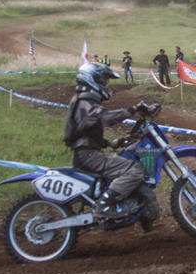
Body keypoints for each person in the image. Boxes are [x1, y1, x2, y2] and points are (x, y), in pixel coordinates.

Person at [63, 62, 159, 231]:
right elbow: (106, 118)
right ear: (93, 80)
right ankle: (104, 205)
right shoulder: (85, 101)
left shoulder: (82, 101)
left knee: (124, 161)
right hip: (88, 157)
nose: (105, 85)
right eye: (103, 81)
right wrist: (134, 109)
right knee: (135, 170)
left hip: (87, 154)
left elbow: (85, 131)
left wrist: (111, 143)